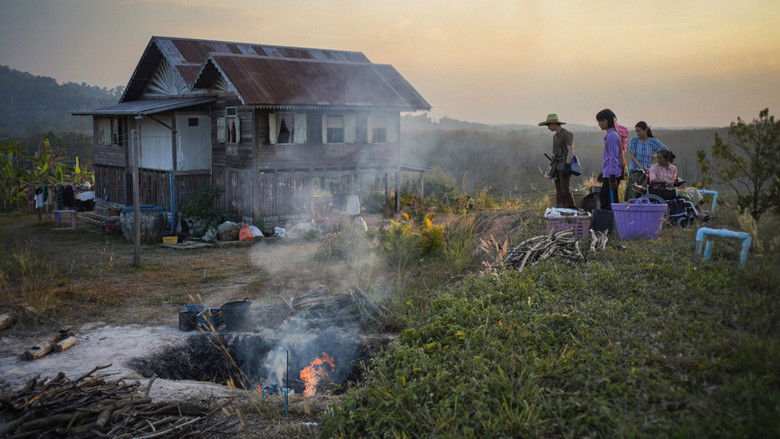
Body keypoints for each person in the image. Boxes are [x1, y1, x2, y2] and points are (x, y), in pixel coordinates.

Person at [538, 113, 575, 208]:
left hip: (564, 165)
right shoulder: (555, 136)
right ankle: (560, 208)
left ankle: (571, 208)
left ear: (554, 124)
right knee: (558, 190)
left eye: (548, 125)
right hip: (556, 165)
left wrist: (567, 165)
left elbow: (571, 151)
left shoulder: (567, 134)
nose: (548, 127)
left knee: (564, 190)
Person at [626, 121, 667, 199]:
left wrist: (654, 157)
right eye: (636, 131)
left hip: (647, 172)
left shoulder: (652, 141)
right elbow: (632, 156)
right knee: (632, 194)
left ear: (645, 130)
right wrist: (641, 167)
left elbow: (665, 150)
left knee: (644, 194)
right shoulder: (634, 140)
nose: (637, 133)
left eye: (639, 131)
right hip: (635, 171)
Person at [596, 109, 623, 210]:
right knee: (606, 199)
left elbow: (613, 158)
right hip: (609, 172)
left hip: (613, 174)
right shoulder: (611, 134)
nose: (599, 124)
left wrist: (612, 176)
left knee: (609, 202)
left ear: (606, 121)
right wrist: (603, 173)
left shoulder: (612, 136)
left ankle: (612, 223)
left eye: (600, 121)